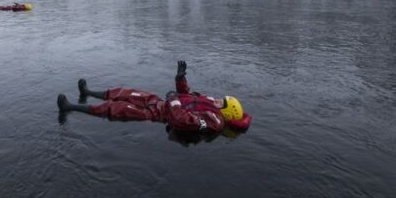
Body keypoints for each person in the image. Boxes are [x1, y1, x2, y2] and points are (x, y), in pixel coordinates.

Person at [57, 61, 251, 132]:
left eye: (221, 102)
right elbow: (187, 96)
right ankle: (89, 93)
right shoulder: (209, 103)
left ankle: (70, 107)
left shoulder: (213, 121)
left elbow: (184, 120)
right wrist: (181, 80)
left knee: (116, 109)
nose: (217, 100)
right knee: (126, 93)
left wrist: (173, 99)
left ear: (226, 112)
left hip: (156, 114)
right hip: (159, 101)